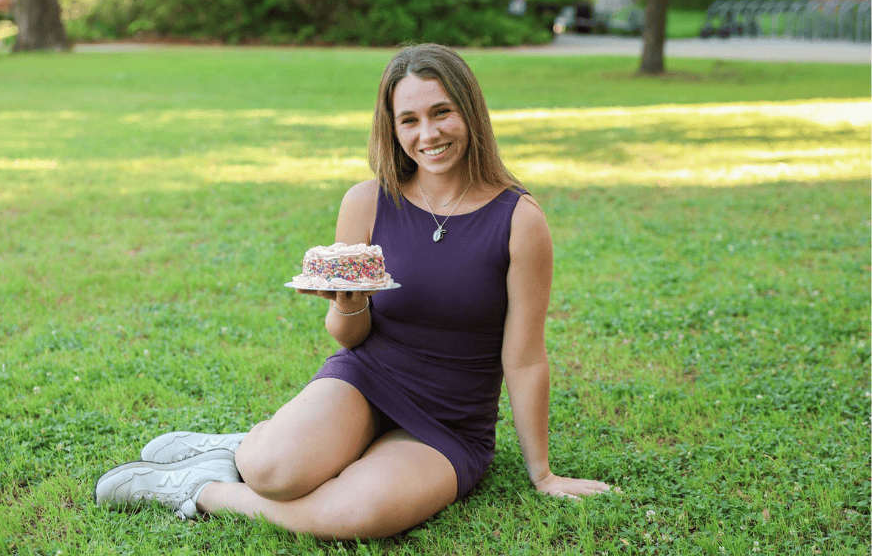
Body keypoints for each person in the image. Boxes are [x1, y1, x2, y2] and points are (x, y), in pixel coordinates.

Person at [95, 43, 612, 539]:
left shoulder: (519, 220)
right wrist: (351, 303)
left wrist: (542, 473)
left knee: (357, 512)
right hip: (368, 379)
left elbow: (523, 359)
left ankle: (199, 489)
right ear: (392, 127)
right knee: (273, 470)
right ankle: (241, 450)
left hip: (448, 421)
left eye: (441, 113)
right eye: (409, 120)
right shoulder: (367, 203)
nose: (427, 133)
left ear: (471, 113)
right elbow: (347, 336)